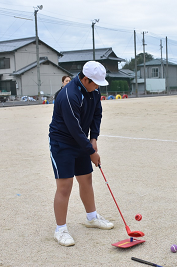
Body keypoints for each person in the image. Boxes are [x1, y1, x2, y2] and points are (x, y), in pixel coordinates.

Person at [49, 61, 113, 247]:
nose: (97, 88)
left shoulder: (93, 90)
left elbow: (96, 115)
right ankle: (60, 230)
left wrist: (94, 139)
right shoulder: (68, 95)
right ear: (85, 79)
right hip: (62, 143)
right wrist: (91, 152)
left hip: (81, 141)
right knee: (65, 186)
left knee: (86, 179)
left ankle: (92, 217)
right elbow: (74, 129)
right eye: (95, 84)